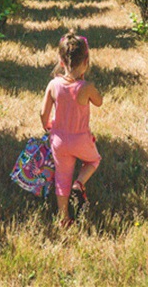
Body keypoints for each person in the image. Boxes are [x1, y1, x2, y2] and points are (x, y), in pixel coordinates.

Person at [40, 30, 103, 227]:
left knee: (61, 177)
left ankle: (64, 218)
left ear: (60, 61)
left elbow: (43, 113)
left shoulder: (53, 84)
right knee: (93, 160)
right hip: (80, 139)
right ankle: (80, 183)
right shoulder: (86, 87)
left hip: (59, 140)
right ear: (86, 61)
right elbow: (99, 102)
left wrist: (48, 127)